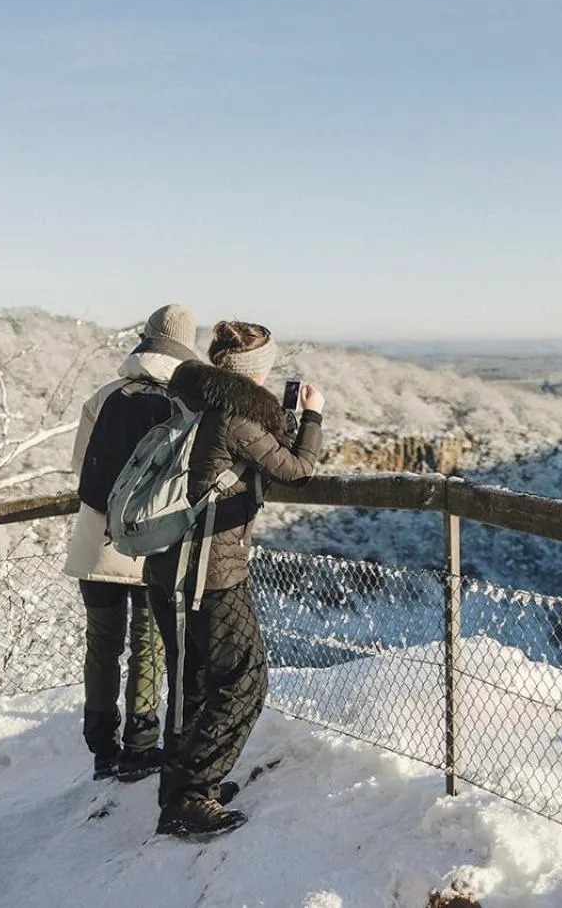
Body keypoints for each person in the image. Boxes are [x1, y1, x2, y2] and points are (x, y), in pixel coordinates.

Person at [146, 321, 324, 839]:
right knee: (245, 679)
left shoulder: (189, 401)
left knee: (198, 678)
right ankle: (190, 795)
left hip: (168, 562)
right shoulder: (233, 416)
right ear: (252, 371)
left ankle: (182, 786)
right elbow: (297, 468)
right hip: (211, 569)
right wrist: (312, 415)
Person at [63, 304, 196, 781]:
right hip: (148, 543)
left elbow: (81, 465)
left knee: (101, 646)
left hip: (93, 541)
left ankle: (102, 747)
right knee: (149, 644)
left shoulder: (104, 395)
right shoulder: (181, 405)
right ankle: (140, 745)